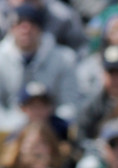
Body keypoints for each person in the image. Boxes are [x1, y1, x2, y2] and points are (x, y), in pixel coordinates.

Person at [0, 3, 80, 134]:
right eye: (20, 23)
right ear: (11, 28)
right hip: (8, 131)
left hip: (52, 128)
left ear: (41, 28)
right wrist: (19, 125)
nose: (26, 29)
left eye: (32, 23)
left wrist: (48, 124)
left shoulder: (64, 58)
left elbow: (69, 104)